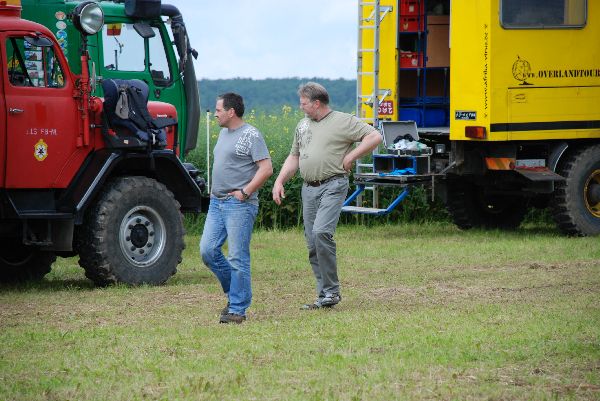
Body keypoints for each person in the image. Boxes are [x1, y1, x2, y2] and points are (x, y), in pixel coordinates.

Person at [272, 82, 382, 309]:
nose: (301, 107)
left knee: (322, 232)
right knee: (312, 243)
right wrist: (279, 181)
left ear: (317, 103)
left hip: (333, 184)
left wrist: (351, 157)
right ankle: (324, 295)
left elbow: (374, 137)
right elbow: (294, 157)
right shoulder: (303, 125)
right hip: (308, 188)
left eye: (304, 104)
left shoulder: (343, 121)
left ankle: (332, 291)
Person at [200, 92, 273, 324]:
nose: (216, 113)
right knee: (208, 251)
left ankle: (238, 309)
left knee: (237, 257)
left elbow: (266, 168)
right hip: (217, 202)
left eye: (219, 109)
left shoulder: (251, 135)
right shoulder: (223, 133)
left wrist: (245, 192)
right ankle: (235, 294)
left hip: (239, 204)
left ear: (231, 112)